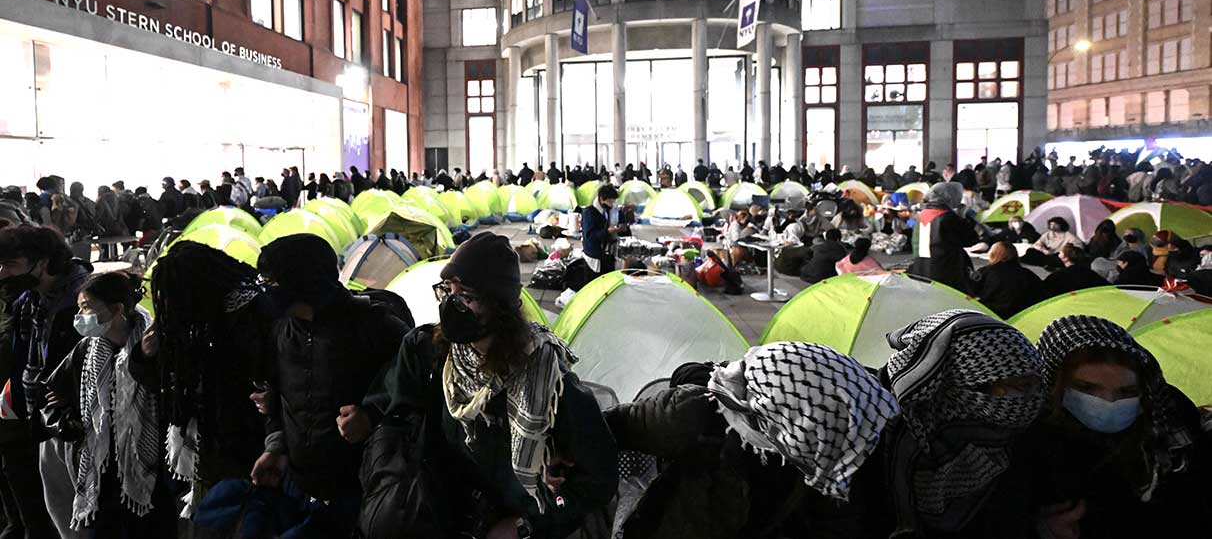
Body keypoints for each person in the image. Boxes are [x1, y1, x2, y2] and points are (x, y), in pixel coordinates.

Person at [360, 233, 618, 538]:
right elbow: (395, 411)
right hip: (443, 515)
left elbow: (599, 479)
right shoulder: (430, 352)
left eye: (466, 297)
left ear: (501, 307)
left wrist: (526, 525)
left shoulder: (548, 384)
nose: (452, 305)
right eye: (448, 291)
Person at [603, 343, 901, 538]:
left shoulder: (840, 452)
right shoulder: (696, 412)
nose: (849, 449)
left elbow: (839, 524)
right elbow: (603, 429)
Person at [247, 235, 409, 537]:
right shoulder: (281, 329)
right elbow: (278, 398)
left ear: (303, 282)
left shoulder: (375, 326)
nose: (265, 290)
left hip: (359, 492)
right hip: (297, 484)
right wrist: (276, 446)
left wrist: (372, 415)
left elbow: (416, 387)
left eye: (272, 281)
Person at [1029, 316, 1212, 538]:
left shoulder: (1171, 418)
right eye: (1086, 388)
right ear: (1054, 385)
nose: (1108, 401)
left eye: (1126, 392)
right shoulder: (1033, 440)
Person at [879, 310, 1044, 538]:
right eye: (1019, 386)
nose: (1031, 399)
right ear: (958, 383)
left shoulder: (1023, 441)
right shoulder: (885, 440)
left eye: (1035, 385)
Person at [40, 272, 177, 537]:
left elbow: (167, 399)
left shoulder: (154, 344)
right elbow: (51, 398)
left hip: (150, 466)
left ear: (117, 309)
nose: (80, 316)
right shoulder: (85, 351)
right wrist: (71, 424)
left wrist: (144, 360)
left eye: (87, 307)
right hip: (102, 469)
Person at [147, 242, 278, 513]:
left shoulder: (256, 314)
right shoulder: (201, 315)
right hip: (214, 446)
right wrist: (143, 356)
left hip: (248, 445)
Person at [0, 226, 92, 539]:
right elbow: (23, 357)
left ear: (42, 262)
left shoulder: (84, 301)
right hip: (33, 416)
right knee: (47, 506)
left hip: (71, 424)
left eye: (10, 265)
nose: (3, 273)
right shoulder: (28, 300)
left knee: (75, 514)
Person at [908, 182, 978, 293]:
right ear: (950, 196)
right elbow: (970, 239)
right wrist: (963, 217)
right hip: (945, 270)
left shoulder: (921, 215)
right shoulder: (947, 217)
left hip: (921, 269)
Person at [974, 242, 1045, 319]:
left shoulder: (985, 272)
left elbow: (972, 291)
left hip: (991, 312)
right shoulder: (1027, 273)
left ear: (993, 254)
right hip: (1022, 314)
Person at [582, 185, 622, 276]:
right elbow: (590, 237)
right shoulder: (589, 213)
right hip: (594, 254)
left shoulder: (607, 210)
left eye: (613, 201)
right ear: (601, 199)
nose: (611, 204)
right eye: (609, 201)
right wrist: (608, 231)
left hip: (606, 252)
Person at [1043, 245, 1108, 298]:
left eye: (1060, 252)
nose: (1059, 253)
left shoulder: (1058, 276)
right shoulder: (1087, 271)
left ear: (1065, 258)